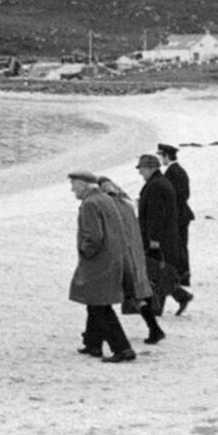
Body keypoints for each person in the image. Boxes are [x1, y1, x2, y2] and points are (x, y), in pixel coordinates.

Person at [68, 171, 137, 363]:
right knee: (95, 302)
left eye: (74, 185)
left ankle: (123, 349)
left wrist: (85, 252)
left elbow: (93, 237)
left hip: (99, 261)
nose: (72, 190)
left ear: (82, 185)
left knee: (100, 305)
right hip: (113, 257)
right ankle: (93, 343)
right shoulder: (105, 199)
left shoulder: (90, 204)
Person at [97, 176, 161, 344]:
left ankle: (154, 329)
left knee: (105, 298)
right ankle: (93, 337)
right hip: (133, 254)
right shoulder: (126, 205)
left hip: (121, 256)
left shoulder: (110, 208)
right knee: (134, 294)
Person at [137, 153, 193, 316]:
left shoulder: (157, 185)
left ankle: (157, 308)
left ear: (150, 168)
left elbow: (157, 215)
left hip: (159, 238)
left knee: (156, 272)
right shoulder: (159, 183)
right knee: (159, 271)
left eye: (142, 169)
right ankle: (182, 296)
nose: (140, 173)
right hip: (165, 237)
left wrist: (154, 240)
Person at [157, 143, 194, 288]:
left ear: (166, 156)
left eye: (161, 156)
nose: (161, 160)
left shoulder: (172, 172)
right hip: (183, 214)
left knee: (177, 246)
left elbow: (176, 195)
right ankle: (183, 275)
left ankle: (181, 276)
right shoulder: (179, 170)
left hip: (178, 215)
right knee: (181, 245)